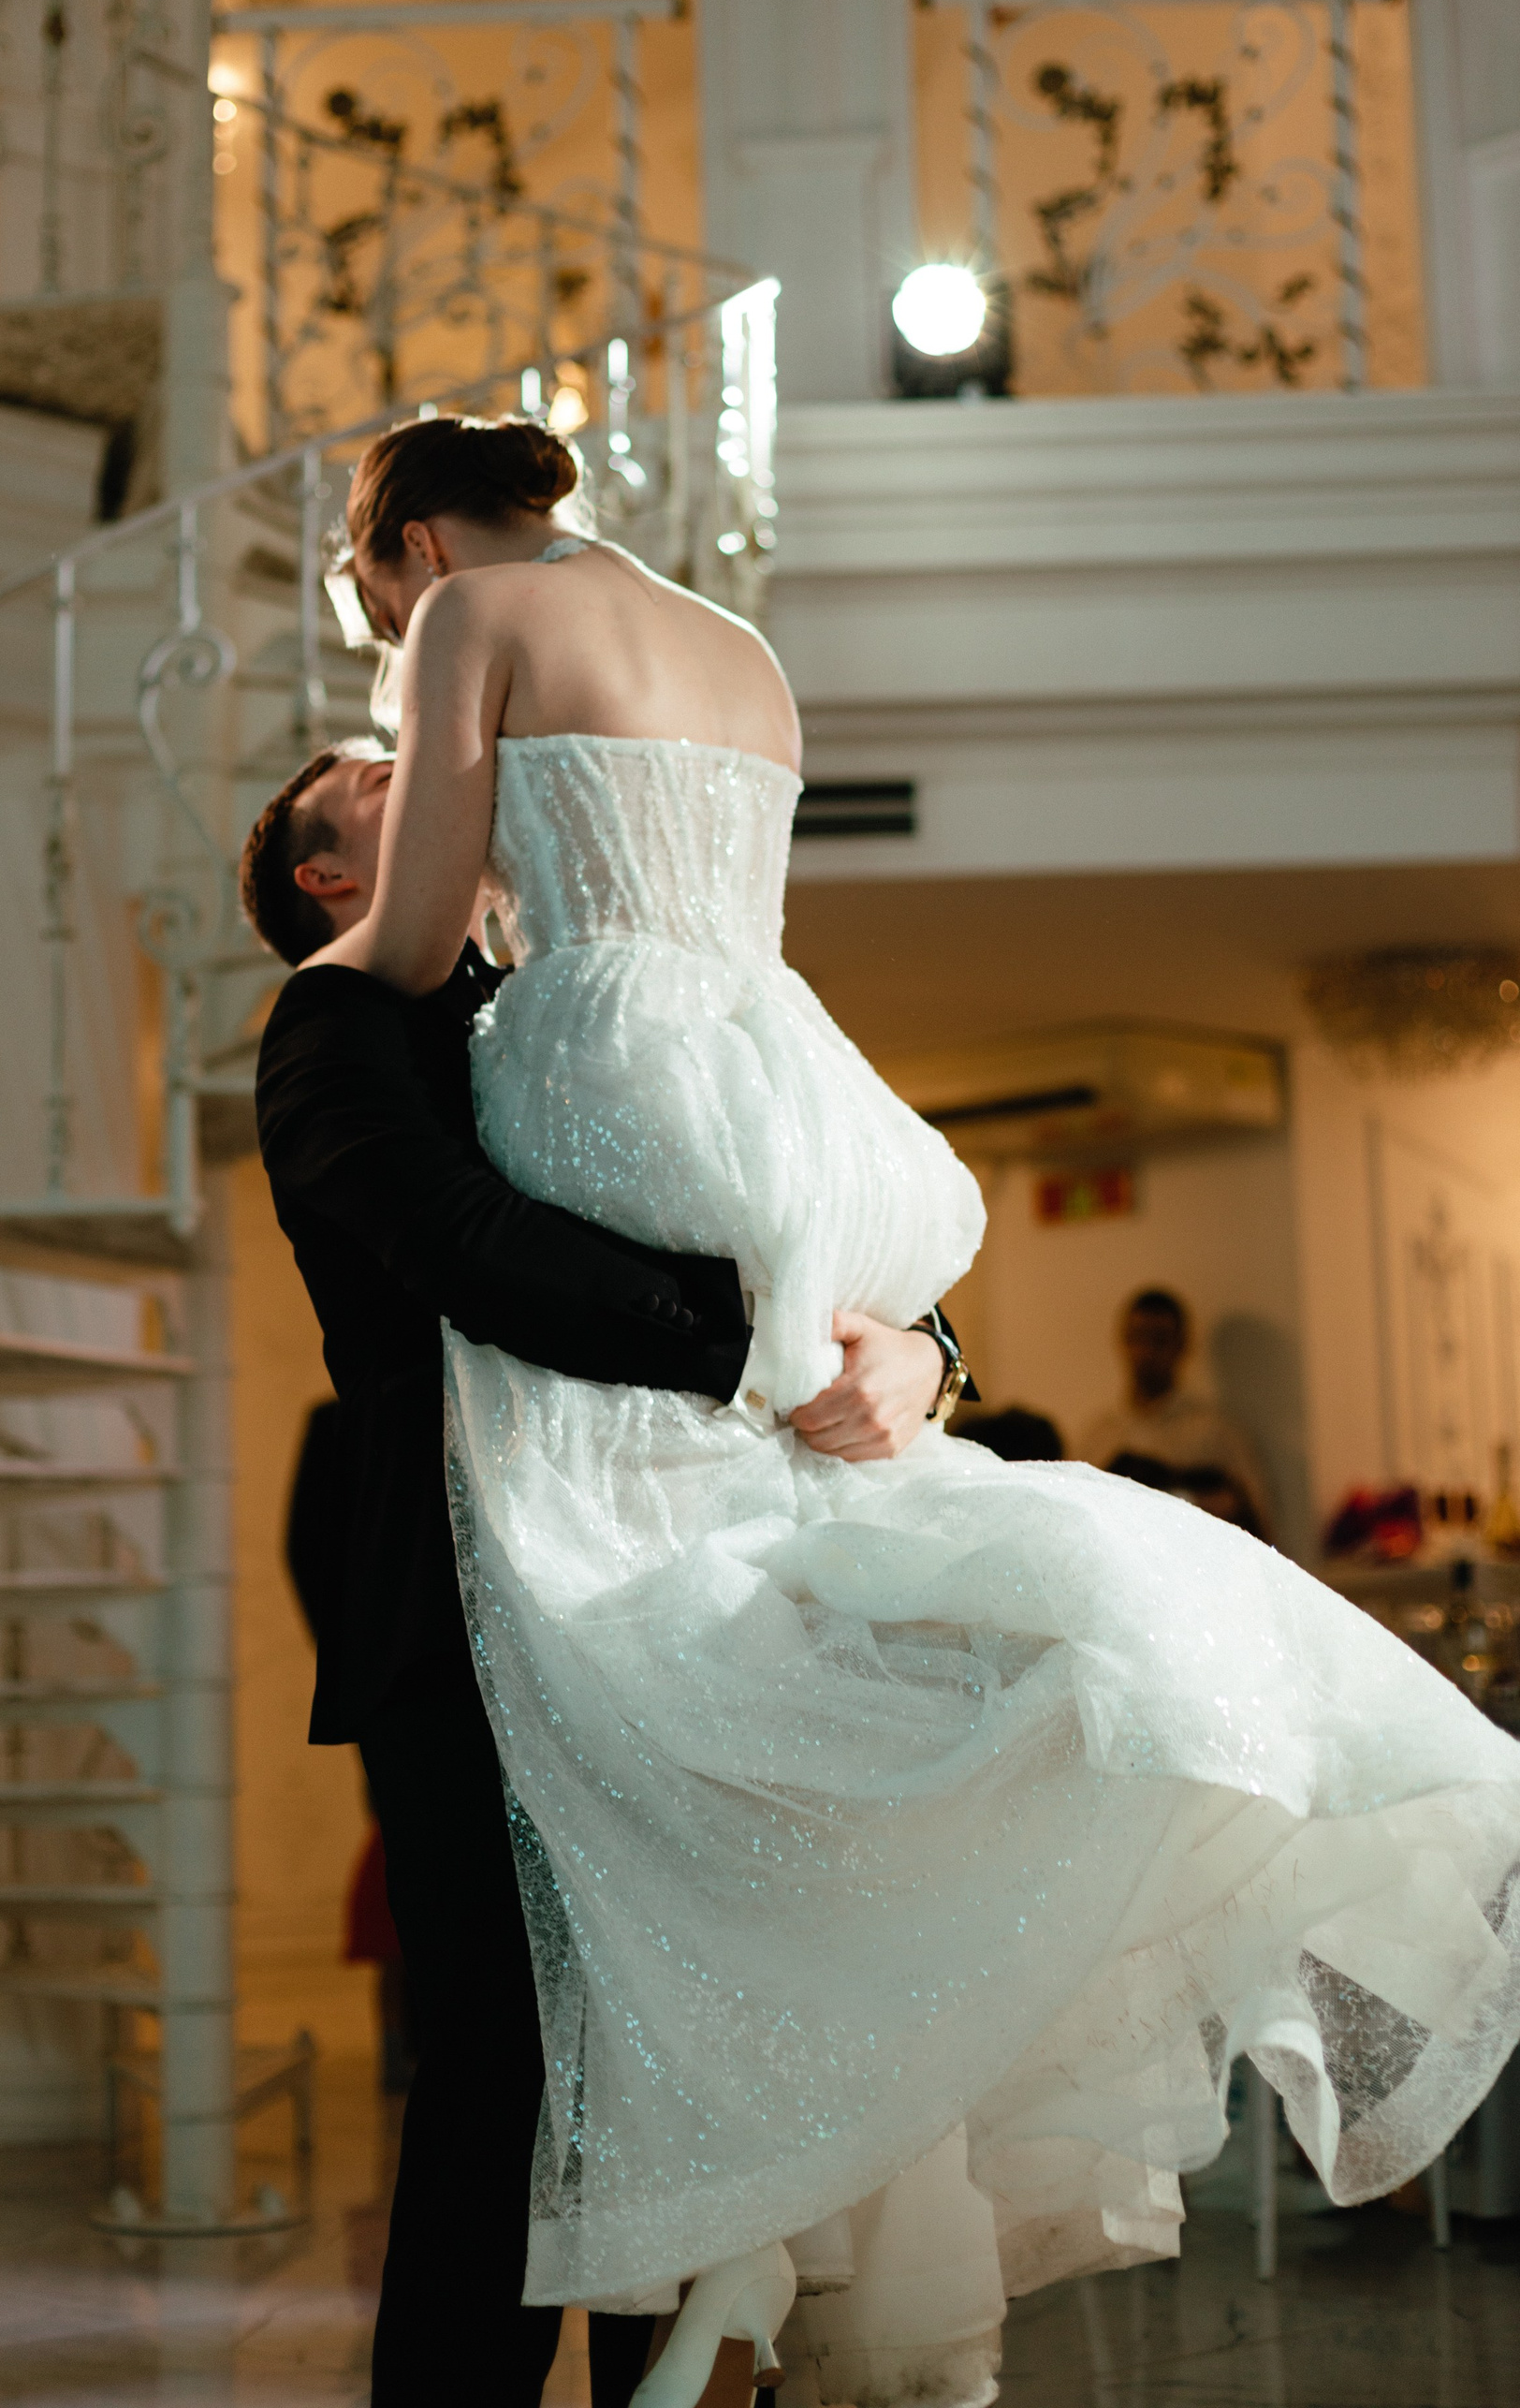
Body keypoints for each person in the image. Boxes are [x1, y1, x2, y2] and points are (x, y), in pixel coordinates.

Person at [309, 408, 1520, 2408]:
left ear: (413, 543)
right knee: (799, 1543)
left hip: (608, 1064)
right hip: (778, 1078)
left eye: (374, 607)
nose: (387, 660)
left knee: (644, 1553)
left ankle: (714, 2203)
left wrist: (351, 948)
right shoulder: (741, 647)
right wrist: (873, 1334)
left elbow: (417, 937)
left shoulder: (466, 621)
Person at [247, 734, 955, 2408]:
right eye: (368, 772)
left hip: (680, 1600)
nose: (423, 758)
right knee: (505, 2081)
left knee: (688, 2075)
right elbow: (471, 1250)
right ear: (326, 877)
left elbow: (796, 1213)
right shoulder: (333, 1021)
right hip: (471, 1618)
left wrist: (926, 1352)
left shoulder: (578, 1005)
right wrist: (766, 1349)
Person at [1080, 1286, 1269, 1534]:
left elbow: (1257, 1523)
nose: (1146, 1352)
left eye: (1159, 1340)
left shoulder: (1216, 1435)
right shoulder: (1100, 1439)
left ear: (1181, 1346)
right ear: (1123, 1342)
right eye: (1138, 1338)